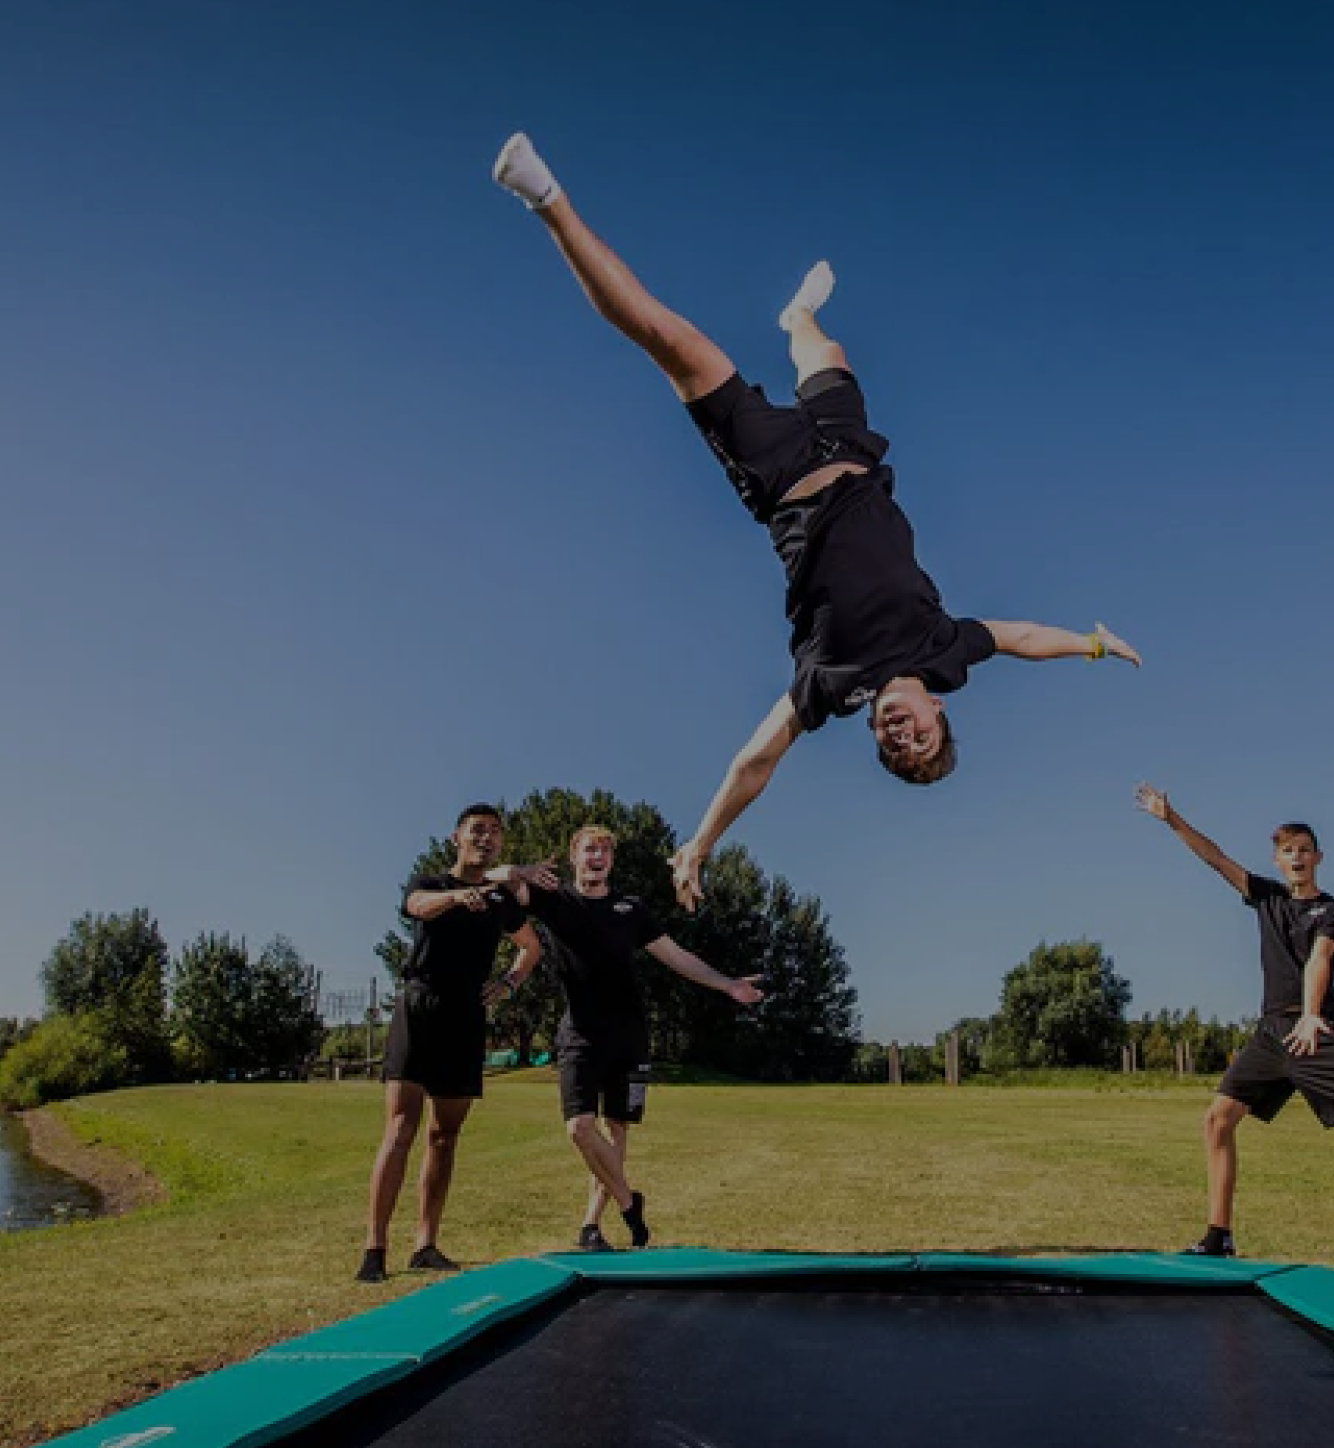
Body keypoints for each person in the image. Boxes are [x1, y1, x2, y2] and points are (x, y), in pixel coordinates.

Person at [491, 132, 1142, 912]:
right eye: (920, 740)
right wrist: (1095, 644)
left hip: (779, 475)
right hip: (847, 450)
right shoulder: (946, 650)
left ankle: (545, 199)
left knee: (668, 341)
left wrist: (701, 842)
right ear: (940, 711)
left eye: (893, 749)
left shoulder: (827, 688)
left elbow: (754, 764)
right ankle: (795, 313)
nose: (902, 737)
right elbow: (1023, 637)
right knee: (821, 346)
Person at [1133, 784, 1334, 1268]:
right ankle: (1218, 1235)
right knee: (1217, 1120)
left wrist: (1313, 1014)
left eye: (1302, 850)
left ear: (1318, 857)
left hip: (1319, 1030)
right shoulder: (1266, 898)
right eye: (1286, 851)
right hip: (1272, 1034)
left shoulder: (1333, 911)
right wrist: (1172, 818)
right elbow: (1214, 859)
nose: (1295, 858)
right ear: (1276, 861)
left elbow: (1320, 958)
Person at [500, 824, 764, 1250]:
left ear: (611, 861)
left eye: (605, 850)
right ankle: (628, 1201)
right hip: (580, 1034)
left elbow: (676, 956)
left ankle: (591, 1225)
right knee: (579, 1128)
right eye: (590, 848)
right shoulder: (555, 900)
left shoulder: (631, 909)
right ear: (574, 856)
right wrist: (520, 869)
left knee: (616, 1131)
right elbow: (497, 879)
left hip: (628, 1035)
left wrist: (727, 984)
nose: (598, 855)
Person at [357, 803, 557, 1283]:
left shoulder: (502, 901)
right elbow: (416, 908)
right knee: (400, 1129)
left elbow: (531, 947)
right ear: (457, 838)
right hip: (420, 1007)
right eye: (477, 831)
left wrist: (507, 984)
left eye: (494, 833)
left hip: (465, 1015)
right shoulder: (430, 883)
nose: (486, 839)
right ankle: (374, 1249)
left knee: (444, 1137)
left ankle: (425, 1244)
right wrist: (458, 897)